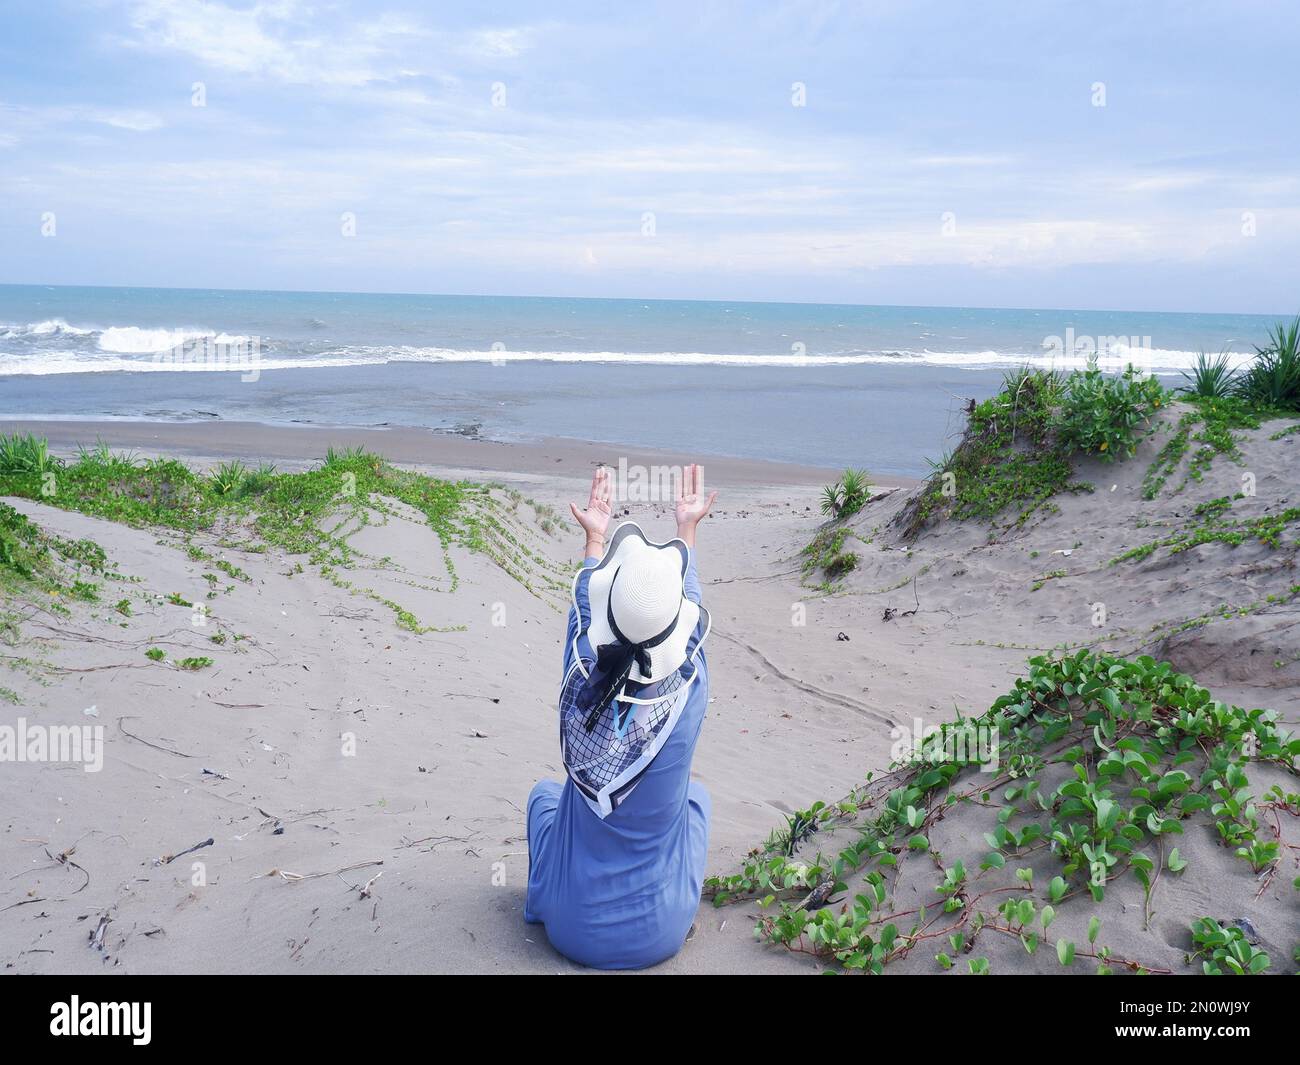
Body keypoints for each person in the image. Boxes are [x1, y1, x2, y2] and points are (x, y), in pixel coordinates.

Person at [524, 463, 718, 969]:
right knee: (696, 801)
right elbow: (687, 608)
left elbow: (582, 614)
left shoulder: (579, 677)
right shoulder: (691, 690)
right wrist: (687, 529)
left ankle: (545, 896)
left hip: (569, 928)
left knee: (545, 797)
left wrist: (595, 537)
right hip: (661, 933)